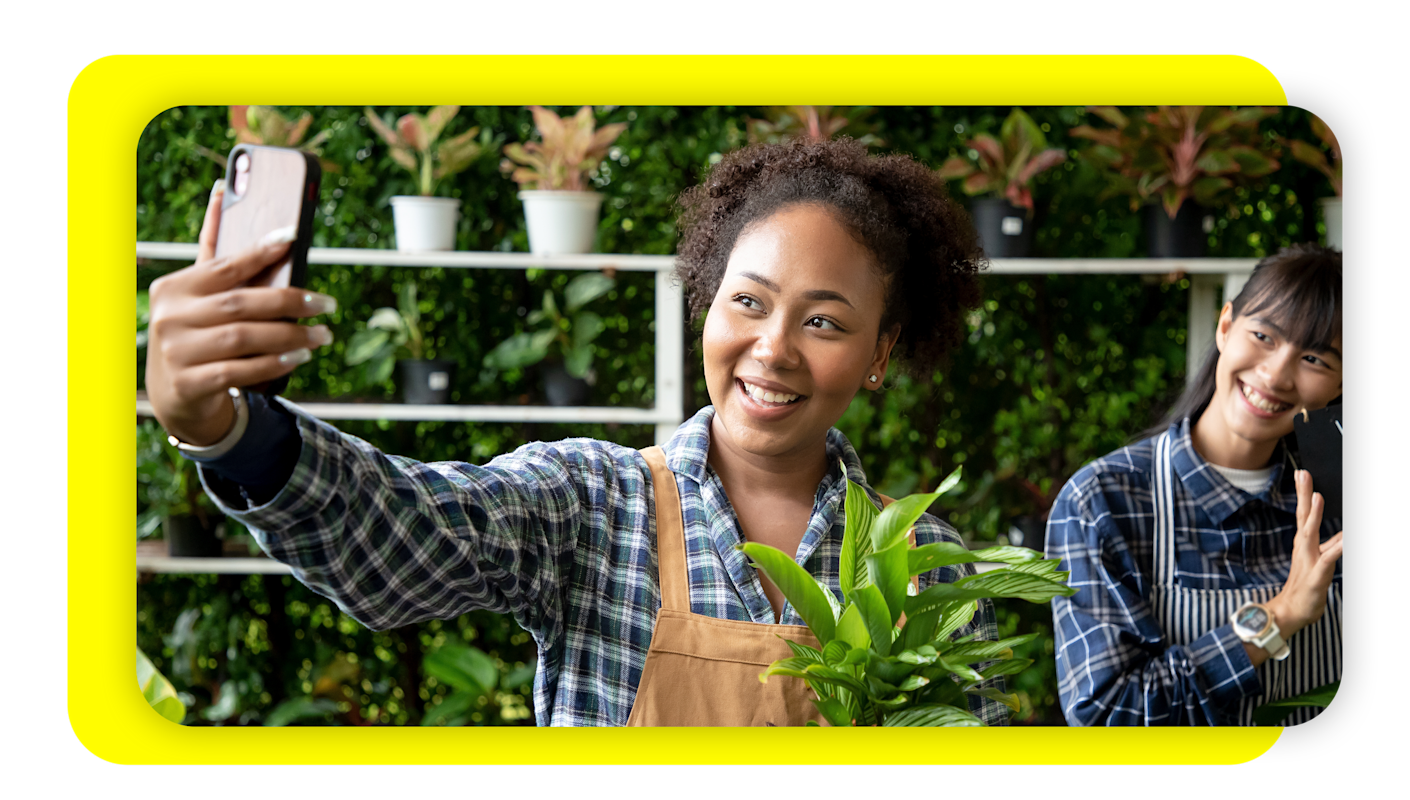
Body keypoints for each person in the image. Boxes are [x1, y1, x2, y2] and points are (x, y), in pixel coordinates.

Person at [143, 136, 1009, 727]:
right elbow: (400, 538)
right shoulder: (591, 502)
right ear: (707, 304)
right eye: (748, 301)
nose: (772, 349)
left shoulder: (925, 563)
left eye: (824, 322)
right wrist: (223, 429)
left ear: (879, 353)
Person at [1044, 244, 1343, 726]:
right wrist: (1281, 615)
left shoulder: (1334, 504)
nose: (1276, 374)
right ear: (1225, 326)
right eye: (1264, 335)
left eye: (1314, 358)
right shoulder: (1102, 502)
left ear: (1339, 387)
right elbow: (1108, 718)